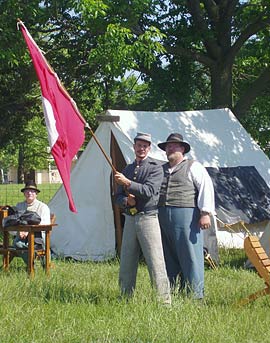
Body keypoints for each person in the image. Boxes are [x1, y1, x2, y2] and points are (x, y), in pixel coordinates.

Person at [114, 132, 171, 305]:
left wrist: (128, 183)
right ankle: (125, 298)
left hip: (148, 218)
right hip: (131, 218)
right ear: (134, 146)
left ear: (149, 148)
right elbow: (117, 196)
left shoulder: (155, 167)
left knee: (155, 261)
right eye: (139, 145)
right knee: (126, 261)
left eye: (145, 146)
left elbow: (149, 191)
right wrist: (126, 201)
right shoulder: (128, 169)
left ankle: (164, 302)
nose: (142, 149)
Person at [157, 133, 215, 300]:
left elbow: (206, 188)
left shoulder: (193, 166)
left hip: (186, 216)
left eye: (174, 145)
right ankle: (174, 292)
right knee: (169, 256)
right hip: (162, 216)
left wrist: (205, 213)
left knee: (190, 256)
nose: (170, 148)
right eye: (168, 146)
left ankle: (196, 295)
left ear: (182, 148)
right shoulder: (161, 169)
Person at [13, 180, 50, 264]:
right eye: (27, 191)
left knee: (33, 245)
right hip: (21, 235)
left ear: (36, 194)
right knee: (17, 243)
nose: (29, 193)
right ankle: (31, 265)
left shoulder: (43, 207)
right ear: (24, 193)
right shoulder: (19, 206)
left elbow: (45, 223)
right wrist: (20, 231)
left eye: (32, 191)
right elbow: (16, 221)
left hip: (38, 236)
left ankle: (40, 263)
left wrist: (29, 231)